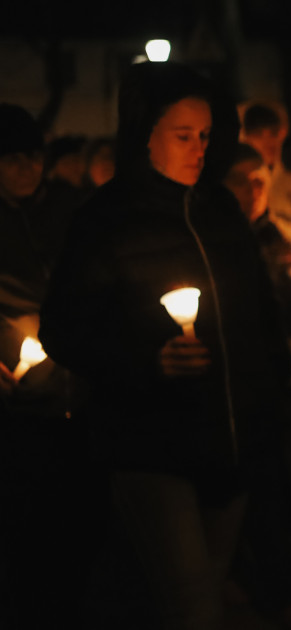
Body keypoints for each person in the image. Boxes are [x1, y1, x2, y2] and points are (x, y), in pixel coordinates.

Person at [38, 61, 291, 630]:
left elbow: (257, 313)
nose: (198, 149)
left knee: (202, 596)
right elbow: (63, 329)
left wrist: (273, 377)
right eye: (182, 136)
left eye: (205, 136)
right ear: (142, 135)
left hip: (232, 446)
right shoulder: (105, 220)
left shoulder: (221, 211)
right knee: (193, 610)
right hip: (153, 448)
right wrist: (147, 360)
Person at [0, 103, 104, 628]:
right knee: (24, 532)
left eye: (33, 157)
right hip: (18, 409)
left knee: (79, 528)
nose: (26, 169)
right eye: (12, 159)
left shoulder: (68, 210)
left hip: (81, 396)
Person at [240, 101, 291, 282]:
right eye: (259, 134)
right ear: (245, 137)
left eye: (273, 133)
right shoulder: (241, 182)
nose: (268, 142)